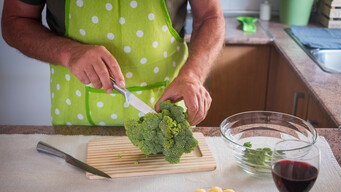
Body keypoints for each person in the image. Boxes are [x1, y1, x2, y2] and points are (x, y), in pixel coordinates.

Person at [2, 0, 225, 126]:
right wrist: (70, 53)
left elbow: (210, 17)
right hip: (75, 118)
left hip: (167, 113)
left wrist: (193, 75)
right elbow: (14, 21)